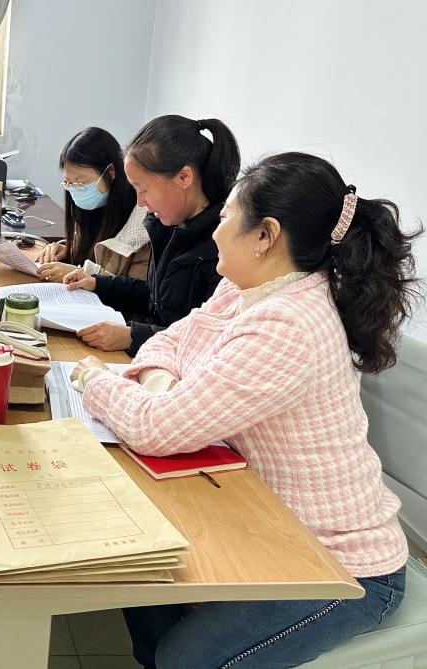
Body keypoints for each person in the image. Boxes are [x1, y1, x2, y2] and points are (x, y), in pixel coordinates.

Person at [72, 152, 421, 668]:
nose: (215, 230)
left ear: (265, 235)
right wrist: (164, 385)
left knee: (184, 659)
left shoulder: (290, 322)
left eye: (227, 216)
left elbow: (154, 427)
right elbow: (167, 342)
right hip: (268, 522)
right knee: (139, 568)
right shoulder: (243, 287)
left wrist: (93, 379)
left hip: (345, 567)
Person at [63, 115, 240, 355]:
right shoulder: (168, 225)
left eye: (143, 189)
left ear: (184, 177)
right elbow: (158, 297)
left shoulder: (222, 245)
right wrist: (97, 284)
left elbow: (208, 340)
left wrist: (133, 337)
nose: (140, 202)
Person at [36, 127, 149, 284]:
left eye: (81, 183)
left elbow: (136, 288)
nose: (75, 190)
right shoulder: (92, 207)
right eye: (69, 183)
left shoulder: (140, 218)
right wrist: (68, 249)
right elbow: (92, 250)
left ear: (111, 171)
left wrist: (83, 273)